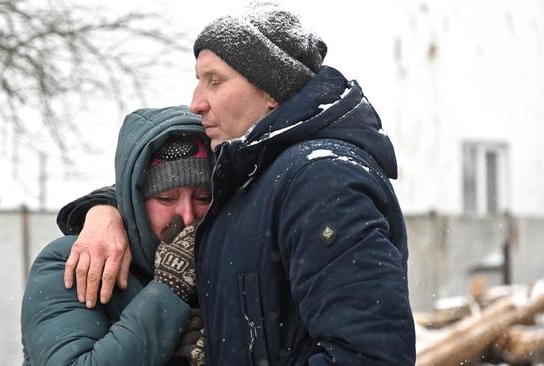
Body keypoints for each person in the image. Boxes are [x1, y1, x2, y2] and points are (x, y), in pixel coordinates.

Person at [58, 3, 416, 365]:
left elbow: (369, 355)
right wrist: (105, 211)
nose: (196, 102)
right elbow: (153, 185)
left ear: (271, 90)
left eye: (215, 81)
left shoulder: (321, 179)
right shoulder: (253, 176)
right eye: (198, 80)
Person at [21, 105, 211, 365]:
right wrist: (168, 291)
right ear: (136, 200)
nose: (188, 216)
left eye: (203, 197)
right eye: (166, 198)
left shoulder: (225, 260)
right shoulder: (74, 261)